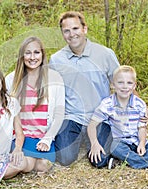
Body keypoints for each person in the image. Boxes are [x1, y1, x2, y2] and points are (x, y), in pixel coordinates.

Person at [49, 11, 120, 166]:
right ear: (62, 34)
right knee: (65, 158)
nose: (71, 34)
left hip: (99, 117)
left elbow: (121, 84)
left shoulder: (105, 54)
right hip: (71, 117)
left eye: (75, 29)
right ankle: (80, 140)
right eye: (66, 31)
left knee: (99, 161)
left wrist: (137, 108)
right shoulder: (56, 59)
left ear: (84, 29)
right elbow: (52, 93)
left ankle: (100, 143)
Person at [87, 65, 148, 173]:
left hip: (136, 142)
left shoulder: (139, 104)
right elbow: (92, 125)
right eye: (120, 82)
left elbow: (142, 128)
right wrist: (95, 143)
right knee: (114, 147)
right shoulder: (107, 104)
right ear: (113, 85)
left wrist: (142, 143)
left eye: (129, 83)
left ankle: (130, 161)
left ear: (134, 86)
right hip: (119, 143)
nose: (125, 86)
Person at [6, 36, 65, 173]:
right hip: (19, 138)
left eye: (36, 52)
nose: (32, 57)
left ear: (43, 54)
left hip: (42, 138)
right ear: (22, 56)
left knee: (43, 165)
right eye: (28, 53)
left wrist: (48, 139)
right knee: (27, 163)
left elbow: (59, 114)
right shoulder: (11, 80)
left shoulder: (54, 78)